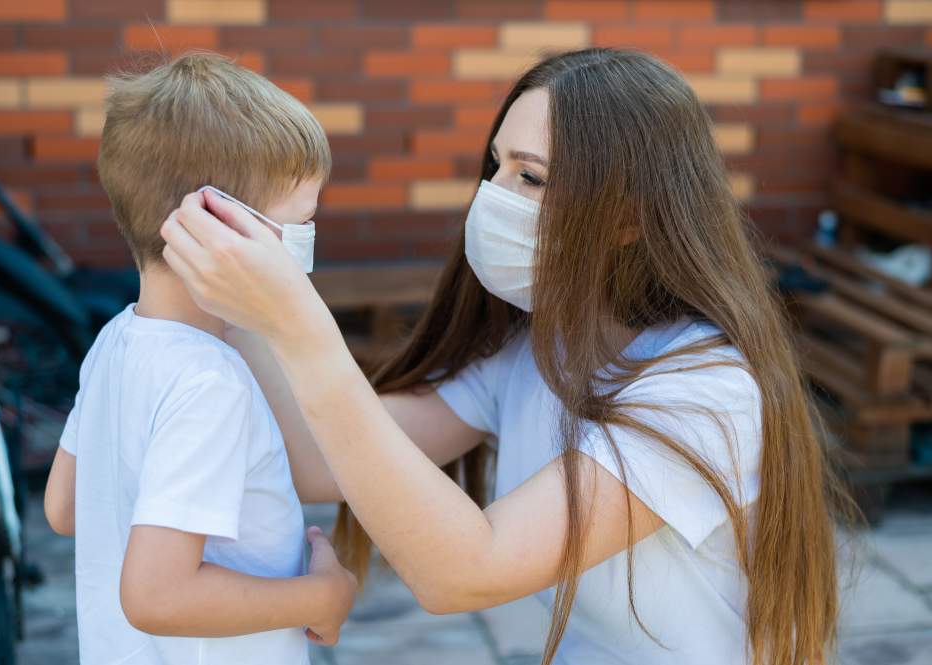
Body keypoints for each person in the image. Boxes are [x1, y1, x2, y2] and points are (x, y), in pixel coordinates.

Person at [161, 49, 849, 665]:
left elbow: (464, 570)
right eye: (497, 165)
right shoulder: (537, 346)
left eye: (533, 177)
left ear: (629, 218)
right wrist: (241, 281)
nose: (494, 197)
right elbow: (316, 460)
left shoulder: (704, 390)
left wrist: (302, 329)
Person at [43, 52, 356, 665]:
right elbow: (157, 597)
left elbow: (64, 507)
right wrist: (319, 596)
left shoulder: (117, 340)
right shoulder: (211, 383)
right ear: (215, 222)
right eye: (301, 223)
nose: (308, 241)